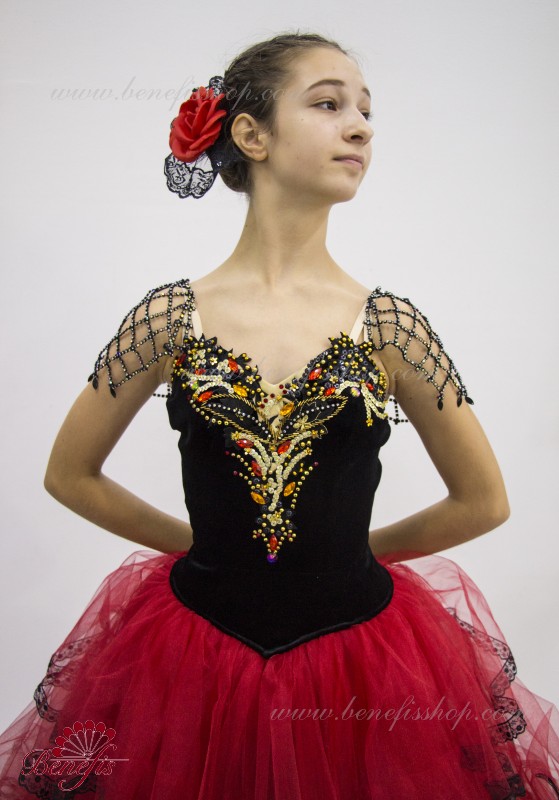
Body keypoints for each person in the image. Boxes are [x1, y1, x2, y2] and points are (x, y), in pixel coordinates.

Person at [0, 30, 558, 800]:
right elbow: (70, 474)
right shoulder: (170, 319)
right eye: (328, 104)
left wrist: (352, 556)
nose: (359, 128)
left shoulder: (389, 329)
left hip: (360, 665)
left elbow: (482, 501)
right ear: (250, 134)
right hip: (192, 656)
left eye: (366, 111)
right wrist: (199, 547)